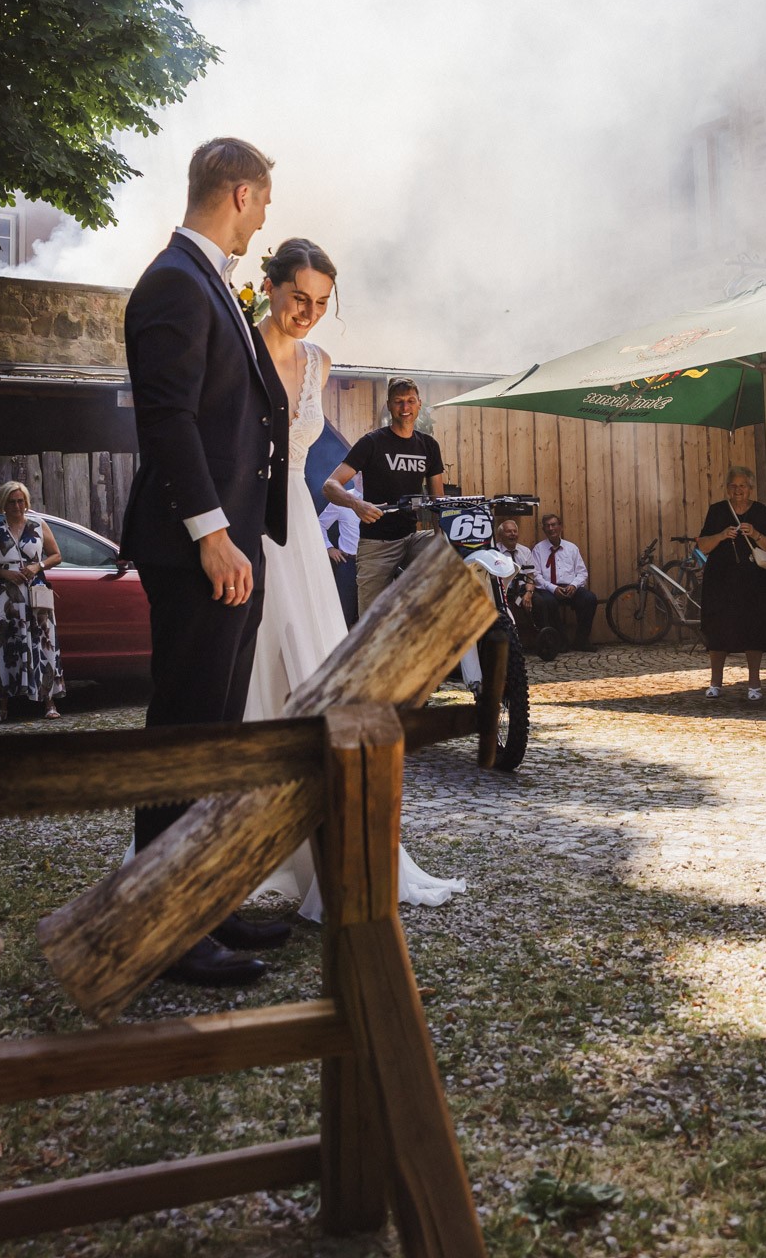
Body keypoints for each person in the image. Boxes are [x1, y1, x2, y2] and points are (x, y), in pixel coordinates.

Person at [119, 136, 292, 989]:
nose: (265, 219)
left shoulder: (209, 283)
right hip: (200, 551)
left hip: (230, 545)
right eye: (263, 202)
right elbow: (169, 420)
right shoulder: (173, 285)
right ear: (237, 192)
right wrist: (213, 531)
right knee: (184, 736)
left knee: (216, 736)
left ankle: (208, 900)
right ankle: (167, 925)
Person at [248, 248, 464, 917]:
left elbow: (317, 468)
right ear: (271, 288)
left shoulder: (319, 363)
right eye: (298, 300)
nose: (308, 315)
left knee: (321, 670)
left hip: (303, 535)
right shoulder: (241, 345)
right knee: (259, 668)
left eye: (320, 304)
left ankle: (327, 831)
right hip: (254, 523)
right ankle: (251, 837)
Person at [324, 380, 445, 616]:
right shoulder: (372, 442)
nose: (405, 407)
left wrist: (443, 539)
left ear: (419, 404)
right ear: (389, 406)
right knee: (371, 621)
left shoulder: (428, 445)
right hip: (376, 544)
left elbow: (438, 501)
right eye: (398, 402)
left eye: (410, 401)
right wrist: (356, 504)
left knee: (456, 548)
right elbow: (329, 485)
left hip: (412, 538)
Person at [0, 479, 65, 722]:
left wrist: (39, 565)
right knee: (5, 646)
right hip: (4, 597)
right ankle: (2, 708)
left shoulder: (38, 525)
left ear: (26, 502)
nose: (17, 506)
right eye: (11, 501)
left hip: (35, 595)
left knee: (43, 644)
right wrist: (4, 572)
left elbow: (57, 555)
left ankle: (49, 703)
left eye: (20, 501)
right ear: (3, 504)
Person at [698, 465, 766, 701]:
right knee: (718, 629)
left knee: (753, 628)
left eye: (742, 485)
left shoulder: (761, 511)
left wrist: (755, 534)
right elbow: (702, 545)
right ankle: (715, 682)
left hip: (752, 581)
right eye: (733, 485)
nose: (738, 490)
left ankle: (754, 683)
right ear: (727, 489)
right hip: (720, 580)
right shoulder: (717, 511)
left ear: (750, 488)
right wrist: (721, 535)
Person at [532, 513, 597, 651]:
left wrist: (574, 585)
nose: (551, 528)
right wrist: (553, 588)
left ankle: (581, 640)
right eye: (547, 526)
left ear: (560, 527)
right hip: (548, 589)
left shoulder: (571, 548)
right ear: (544, 529)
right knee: (548, 602)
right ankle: (560, 641)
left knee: (589, 598)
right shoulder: (538, 549)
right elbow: (535, 575)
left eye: (554, 525)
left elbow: (582, 572)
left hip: (570, 588)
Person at [318, 485, 361, 630]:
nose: (361, 475)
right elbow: (320, 524)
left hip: (374, 561)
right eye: (358, 472)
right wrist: (329, 547)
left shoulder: (379, 496)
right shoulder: (342, 499)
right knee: (344, 613)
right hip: (348, 562)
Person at [493, 514, 538, 632]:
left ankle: (541, 636)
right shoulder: (495, 552)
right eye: (509, 531)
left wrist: (528, 593)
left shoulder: (525, 551)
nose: (513, 534)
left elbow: (530, 575)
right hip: (503, 592)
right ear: (501, 535)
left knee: (543, 602)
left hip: (523, 590)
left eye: (515, 531)